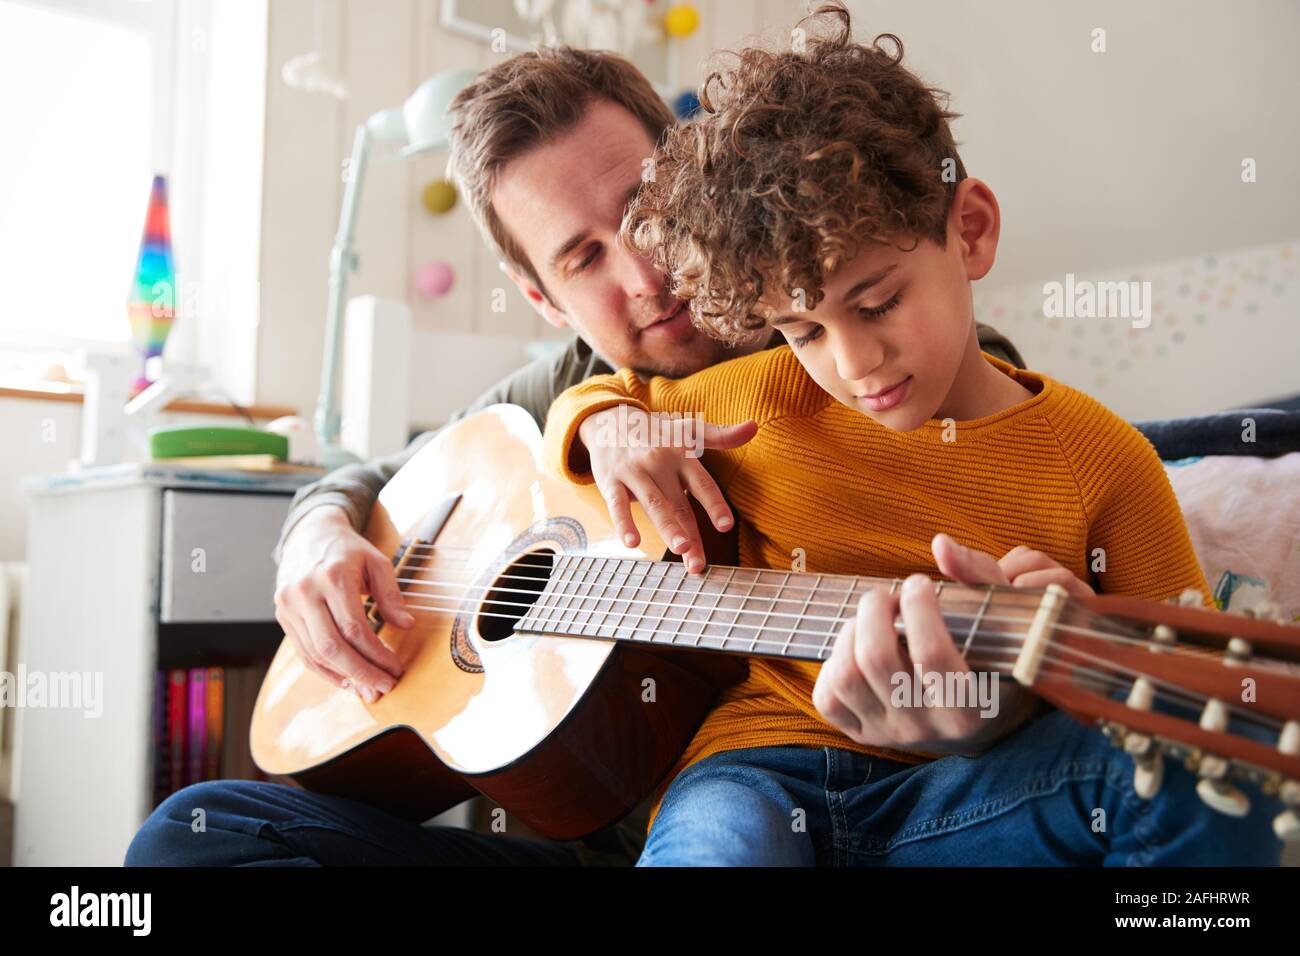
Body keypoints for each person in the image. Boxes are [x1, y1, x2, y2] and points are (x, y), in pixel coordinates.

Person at [125, 38, 1026, 867]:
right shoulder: (559, 388)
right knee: (193, 837)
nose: (644, 277)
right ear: (542, 297)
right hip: (605, 841)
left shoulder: (869, 346)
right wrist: (317, 535)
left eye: (648, 210)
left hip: (822, 808)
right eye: (583, 257)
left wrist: (978, 706)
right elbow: (377, 477)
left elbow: (1017, 466)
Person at [539, 2, 1286, 865]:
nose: (853, 361)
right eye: (802, 329)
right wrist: (603, 423)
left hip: (976, 794)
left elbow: (1180, 694)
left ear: (969, 231)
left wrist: (1066, 684)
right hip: (754, 772)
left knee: (1201, 777)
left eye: (876, 301)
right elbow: (600, 398)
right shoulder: (755, 399)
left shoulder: (1103, 460)